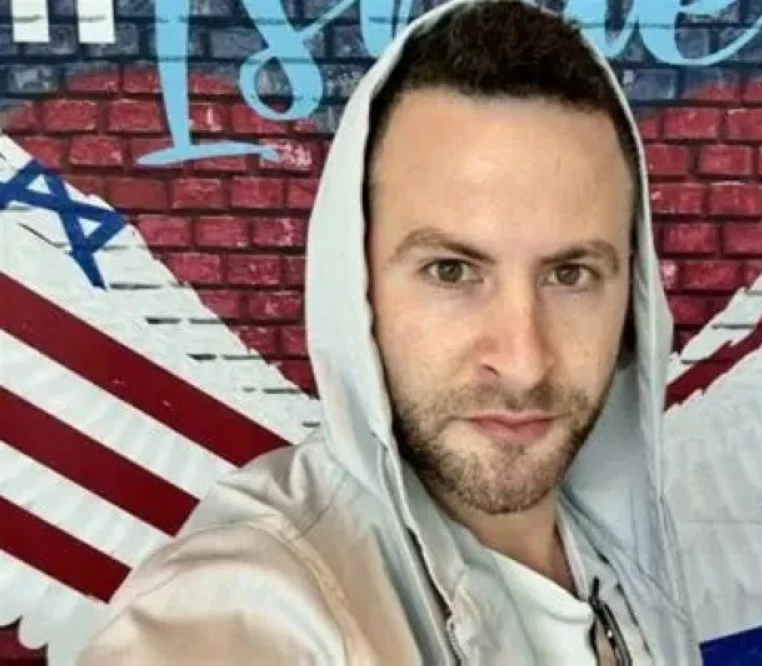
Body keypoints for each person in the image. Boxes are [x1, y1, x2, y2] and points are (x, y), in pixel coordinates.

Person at [79, 0, 699, 663]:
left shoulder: (619, 561)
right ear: (358, 285)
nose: (523, 362)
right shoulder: (251, 599)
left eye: (571, 274)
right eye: (451, 271)